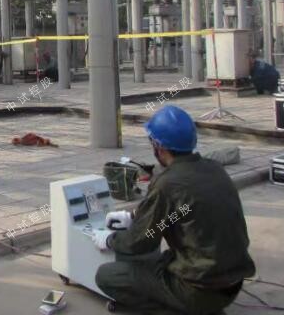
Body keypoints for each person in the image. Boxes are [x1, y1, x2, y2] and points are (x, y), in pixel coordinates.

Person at [91, 105, 256, 315]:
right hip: (232, 285)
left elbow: (140, 243)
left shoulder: (167, 183)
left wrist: (109, 240)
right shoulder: (215, 169)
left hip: (199, 289)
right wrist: (135, 217)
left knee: (107, 275)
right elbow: (181, 212)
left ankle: (186, 309)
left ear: (159, 146)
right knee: (165, 259)